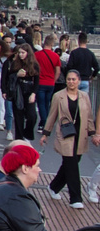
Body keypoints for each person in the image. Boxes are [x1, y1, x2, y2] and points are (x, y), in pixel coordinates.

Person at [39, 66, 95, 208]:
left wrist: (93, 133)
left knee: (72, 162)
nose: (71, 82)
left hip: (80, 135)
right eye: (69, 79)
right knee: (71, 165)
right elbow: (52, 116)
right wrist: (46, 134)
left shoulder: (84, 96)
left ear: (78, 81)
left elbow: (88, 116)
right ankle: (75, 198)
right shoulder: (58, 96)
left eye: (73, 80)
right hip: (65, 134)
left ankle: (54, 186)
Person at [8, 44, 39, 141]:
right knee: (18, 116)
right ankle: (19, 139)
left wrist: (34, 93)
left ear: (28, 53)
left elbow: (37, 81)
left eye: (23, 53)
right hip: (18, 90)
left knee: (32, 116)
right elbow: (9, 77)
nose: (21, 55)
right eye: (19, 53)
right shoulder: (15, 63)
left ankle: (27, 133)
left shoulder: (34, 65)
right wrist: (16, 75)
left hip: (29, 89)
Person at [35, 34, 61, 134]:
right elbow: (58, 71)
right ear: (52, 44)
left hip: (40, 82)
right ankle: (44, 123)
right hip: (50, 83)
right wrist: (53, 81)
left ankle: (44, 122)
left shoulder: (37, 55)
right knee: (47, 103)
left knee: (41, 104)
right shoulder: (56, 56)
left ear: (44, 42)